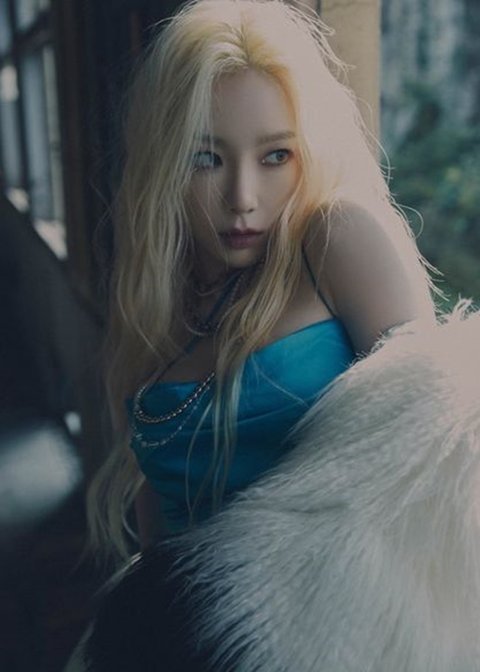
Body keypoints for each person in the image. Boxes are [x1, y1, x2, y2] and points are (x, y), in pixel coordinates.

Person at [75, 1, 480, 670]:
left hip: (333, 642)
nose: (242, 197)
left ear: (308, 152)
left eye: (275, 156)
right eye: (206, 158)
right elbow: (159, 535)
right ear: (165, 163)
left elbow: (438, 469)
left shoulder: (335, 240)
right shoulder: (157, 299)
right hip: (182, 640)